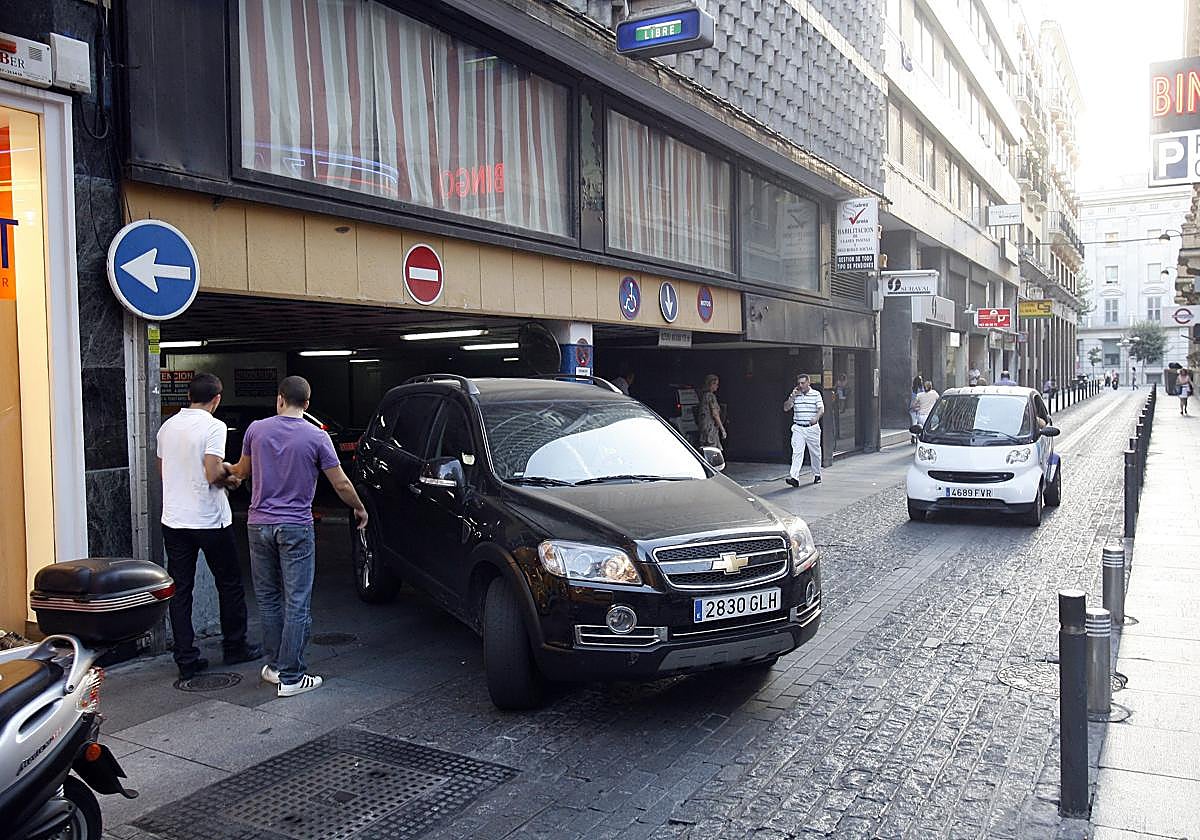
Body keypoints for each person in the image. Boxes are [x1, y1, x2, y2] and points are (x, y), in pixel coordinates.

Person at [229, 376, 368, 698]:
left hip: (258, 524)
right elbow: (340, 483)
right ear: (306, 405)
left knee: (268, 599)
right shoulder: (317, 437)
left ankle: (275, 667)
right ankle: (292, 677)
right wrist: (359, 508)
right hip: (295, 526)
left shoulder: (255, 430)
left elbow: (241, 471)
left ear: (279, 399)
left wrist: (223, 470)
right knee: (297, 602)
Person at [157, 373, 261, 681]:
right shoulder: (214, 426)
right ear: (216, 399)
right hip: (209, 519)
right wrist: (232, 479)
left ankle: (186, 658)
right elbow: (213, 473)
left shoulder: (167, 427)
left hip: (174, 519)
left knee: (181, 590)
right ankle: (235, 646)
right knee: (229, 583)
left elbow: (163, 470)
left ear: (189, 396)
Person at [783, 374, 824, 486]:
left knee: (815, 453)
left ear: (808, 383)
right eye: (799, 383)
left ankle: (817, 474)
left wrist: (816, 418)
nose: (800, 385)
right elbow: (786, 408)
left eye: (803, 383)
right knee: (797, 452)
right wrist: (792, 397)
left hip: (812, 428)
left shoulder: (816, 394)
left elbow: (821, 409)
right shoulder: (795, 395)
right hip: (798, 427)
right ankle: (794, 477)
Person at [696, 374, 726, 450]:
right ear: (711, 384)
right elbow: (715, 414)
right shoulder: (710, 396)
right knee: (712, 448)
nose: (717, 386)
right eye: (716, 384)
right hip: (710, 427)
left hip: (704, 426)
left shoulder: (703, 396)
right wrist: (722, 429)